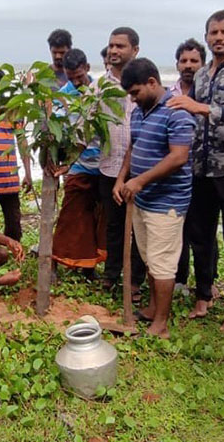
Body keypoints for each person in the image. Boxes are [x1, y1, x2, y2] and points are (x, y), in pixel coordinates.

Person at [168, 10, 224, 333]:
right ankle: (203, 296)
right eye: (213, 32)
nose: (219, 37)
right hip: (199, 169)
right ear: (206, 37)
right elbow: (184, 111)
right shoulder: (202, 74)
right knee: (200, 236)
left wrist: (202, 108)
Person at [113, 59, 195, 338]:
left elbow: (179, 156)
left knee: (162, 263)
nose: (132, 99)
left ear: (152, 82)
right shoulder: (139, 111)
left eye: (135, 92)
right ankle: (151, 308)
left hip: (167, 203)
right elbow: (132, 147)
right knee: (149, 258)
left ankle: (161, 323)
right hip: (142, 200)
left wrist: (140, 180)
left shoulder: (178, 111)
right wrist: (122, 178)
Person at [50, 49, 106, 277]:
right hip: (78, 165)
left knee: (99, 218)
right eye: (71, 77)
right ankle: (54, 261)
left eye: (79, 76)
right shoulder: (62, 97)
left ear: (88, 68)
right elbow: (56, 132)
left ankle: (89, 267)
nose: (76, 82)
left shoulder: (100, 92)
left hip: (103, 165)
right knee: (71, 218)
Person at [98, 28, 140, 293]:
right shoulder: (99, 86)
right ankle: (112, 275)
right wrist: (68, 159)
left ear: (134, 50)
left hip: (141, 170)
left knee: (140, 227)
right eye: (111, 45)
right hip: (109, 166)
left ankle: (135, 281)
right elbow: (86, 126)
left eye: (120, 46)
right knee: (113, 226)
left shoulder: (145, 81)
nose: (114, 51)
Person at [170, 39, 207, 292]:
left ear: (203, 65)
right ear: (177, 64)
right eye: (184, 61)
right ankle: (179, 280)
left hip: (205, 171)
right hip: (175, 174)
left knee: (203, 232)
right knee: (177, 230)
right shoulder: (168, 95)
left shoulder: (208, 92)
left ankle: (207, 283)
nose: (188, 65)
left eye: (194, 61)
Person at [0, 67, 32, 241]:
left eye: (0, 91)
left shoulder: (12, 109)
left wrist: (28, 173)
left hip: (8, 177)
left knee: (13, 220)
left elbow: (22, 140)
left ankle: (14, 250)